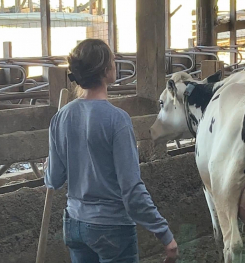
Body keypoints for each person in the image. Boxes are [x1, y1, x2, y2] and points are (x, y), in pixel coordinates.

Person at [44, 39, 179, 263]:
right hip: (111, 228)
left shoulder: (61, 117)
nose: (115, 64)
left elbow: (54, 180)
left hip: (74, 225)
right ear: (105, 70)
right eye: (113, 60)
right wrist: (164, 234)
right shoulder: (117, 120)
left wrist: (47, 167)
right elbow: (132, 190)